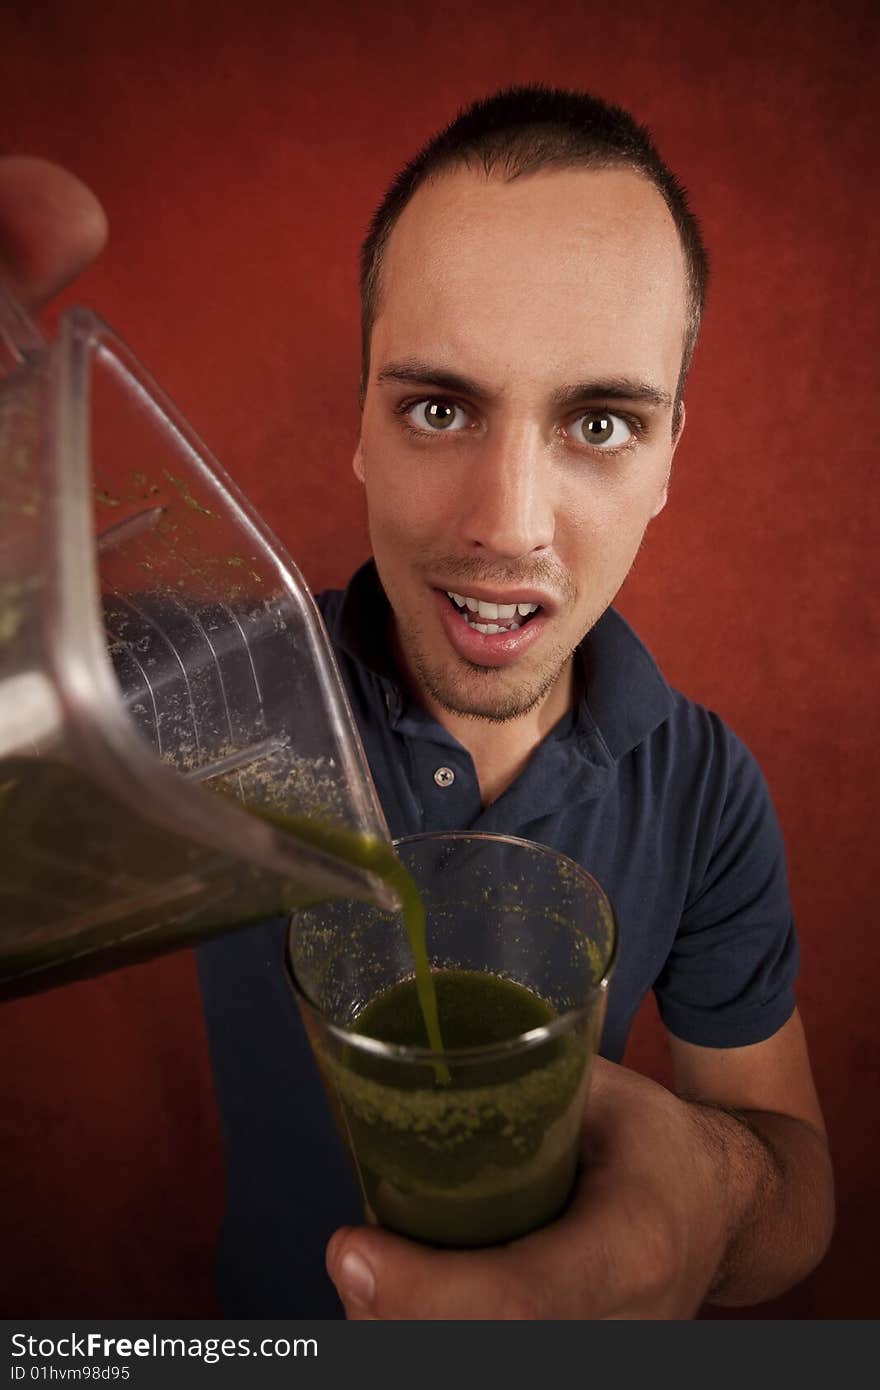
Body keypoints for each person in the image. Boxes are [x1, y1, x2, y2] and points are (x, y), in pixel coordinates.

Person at [1, 87, 835, 1321]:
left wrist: (714, 1202)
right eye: (438, 407)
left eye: (599, 421)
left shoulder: (704, 786)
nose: (503, 524)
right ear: (360, 427)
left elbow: (791, 1170)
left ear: (667, 462)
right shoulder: (206, 687)